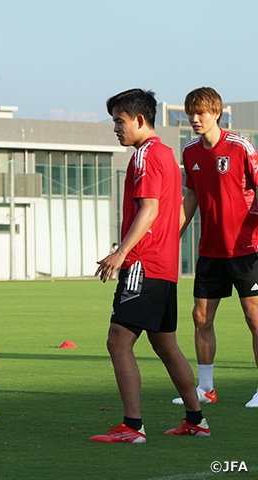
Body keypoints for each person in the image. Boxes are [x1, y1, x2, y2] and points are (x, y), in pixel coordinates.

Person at [90, 89, 210, 443]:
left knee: (118, 341)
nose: (115, 128)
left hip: (143, 265)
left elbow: (151, 209)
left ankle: (132, 426)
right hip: (164, 267)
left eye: (119, 121)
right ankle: (195, 419)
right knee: (165, 345)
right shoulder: (167, 155)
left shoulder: (144, 156)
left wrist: (122, 252)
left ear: (139, 120)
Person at [172, 87, 258, 408]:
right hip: (210, 250)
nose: (195, 119)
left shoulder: (240, 147)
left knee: (254, 319)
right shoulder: (190, 152)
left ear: (217, 113)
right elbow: (191, 197)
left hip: (247, 250)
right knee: (200, 317)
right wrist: (172, 237)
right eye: (190, 113)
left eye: (201, 113)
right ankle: (206, 388)